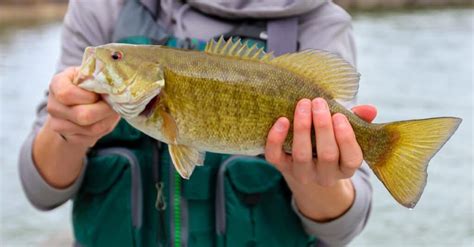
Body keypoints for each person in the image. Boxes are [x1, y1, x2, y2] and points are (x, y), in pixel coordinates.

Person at [19, 0, 376, 246]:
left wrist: (313, 175)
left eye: (115, 57)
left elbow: (343, 226)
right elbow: (41, 191)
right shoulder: (103, 7)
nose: (103, 61)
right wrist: (67, 130)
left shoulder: (320, 21)